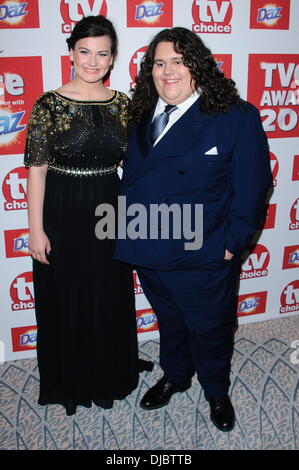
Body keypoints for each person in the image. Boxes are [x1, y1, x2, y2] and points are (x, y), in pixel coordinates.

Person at [115, 27, 272, 432]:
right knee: (170, 319)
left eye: (179, 61)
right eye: (160, 63)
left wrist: (230, 246)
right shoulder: (140, 112)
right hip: (145, 247)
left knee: (210, 326)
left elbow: (253, 188)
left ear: (198, 66)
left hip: (203, 252)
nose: (169, 71)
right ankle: (176, 376)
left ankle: (216, 390)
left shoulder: (236, 117)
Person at [24, 15, 152, 416]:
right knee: (66, 295)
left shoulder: (123, 104)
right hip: (62, 208)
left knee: (107, 292)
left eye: (102, 53)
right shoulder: (48, 104)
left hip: (108, 205)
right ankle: (72, 379)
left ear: (112, 59)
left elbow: (138, 164)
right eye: (85, 52)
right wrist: (35, 229)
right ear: (70, 54)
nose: (93, 62)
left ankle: (110, 373)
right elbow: (37, 172)